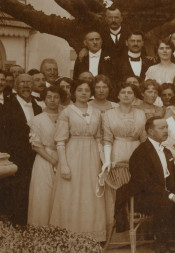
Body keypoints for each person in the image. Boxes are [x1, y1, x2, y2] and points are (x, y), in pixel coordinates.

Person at [50, 79, 107, 241]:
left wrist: (102, 161)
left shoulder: (96, 112)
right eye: (80, 90)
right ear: (73, 92)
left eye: (87, 90)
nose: (83, 93)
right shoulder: (67, 112)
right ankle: (69, 234)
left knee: (90, 193)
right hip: (73, 153)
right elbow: (60, 141)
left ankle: (91, 235)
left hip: (92, 155)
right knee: (72, 193)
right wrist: (64, 165)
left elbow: (98, 138)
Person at [128, 117, 175, 253]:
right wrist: (170, 196)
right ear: (150, 131)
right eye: (161, 128)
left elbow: (174, 177)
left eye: (166, 127)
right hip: (143, 197)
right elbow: (145, 183)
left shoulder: (166, 151)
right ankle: (161, 246)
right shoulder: (141, 153)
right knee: (165, 204)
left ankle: (169, 241)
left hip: (162, 194)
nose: (166, 130)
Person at [99, 82, 147, 228]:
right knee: (120, 189)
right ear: (118, 95)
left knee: (137, 188)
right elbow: (107, 139)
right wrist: (107, 161)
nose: (126, 95)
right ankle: (121, 225)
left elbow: (144, 138)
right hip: (117, 150)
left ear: (134, 96)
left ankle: (137, 228)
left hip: (137, 151)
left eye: (130, 92)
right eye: (123, 92)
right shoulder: (108, 114)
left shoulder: (141, 113)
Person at [0, 74, 42, 225]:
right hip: (16, 158)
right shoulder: (7, 106)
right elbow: (3, 135)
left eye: (29, 83)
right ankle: (17, 225)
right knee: (16, 193)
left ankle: (28, 223)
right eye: (22, 82)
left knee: (32, 191)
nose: (26, 86)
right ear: (16, 86)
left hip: (35, 157)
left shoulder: (37, 106)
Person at [26, 85, 63, 226]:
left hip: (63, 157)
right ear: (44, 99)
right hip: (44, 159)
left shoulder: (65, 116)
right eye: (49, 97)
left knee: (61, 194)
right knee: (44, 195)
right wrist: (53, 160)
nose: (52, 100)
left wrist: (61, 160)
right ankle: (42, 232)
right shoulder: (37, 119)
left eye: (56, 97)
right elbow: (35, 145)